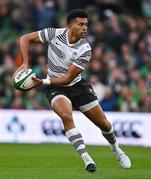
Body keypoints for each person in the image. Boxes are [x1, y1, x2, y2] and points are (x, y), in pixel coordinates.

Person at [13, 9, 131, 172]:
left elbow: (68, 78)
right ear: (69, 25)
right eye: (80, 24)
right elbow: (24, 38)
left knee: (104, 124)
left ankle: (116, 149)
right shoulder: (53, 34)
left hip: (77, 87)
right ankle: (86, 158)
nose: (84, 28)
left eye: (86, 25)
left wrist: (42, 82)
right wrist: (25, 63)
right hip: (55, 87)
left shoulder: (85, 49)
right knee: (66, 116)